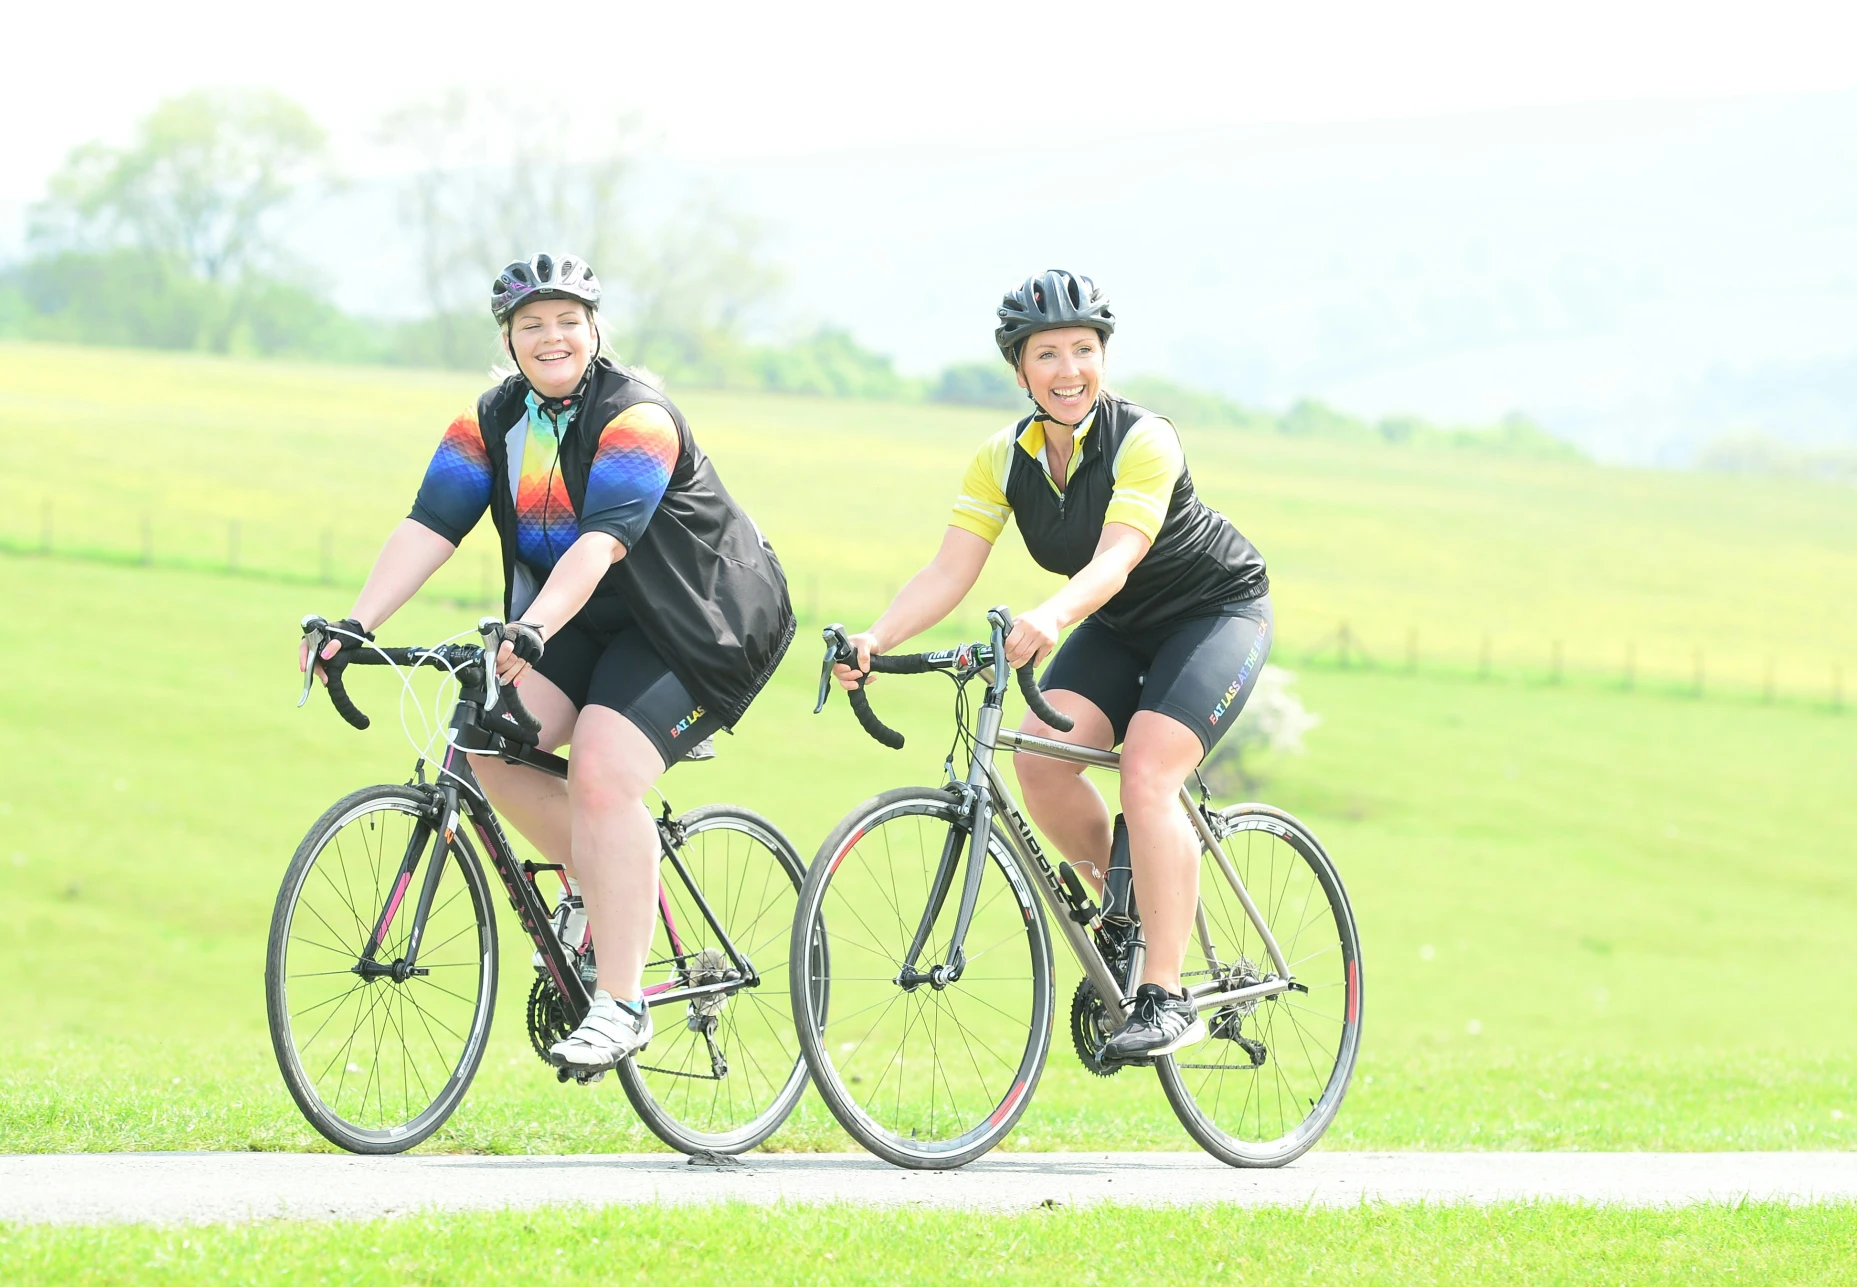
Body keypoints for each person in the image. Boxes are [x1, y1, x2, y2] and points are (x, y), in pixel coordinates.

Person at [307, 252, 794, 1074]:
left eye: (567, 320)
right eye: (531, 325)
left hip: (699, 621)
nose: (551, 336)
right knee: (487, 737)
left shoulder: (637, 417)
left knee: (603, 769)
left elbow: (603, 540)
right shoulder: (491, 422)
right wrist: (356, 623)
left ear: (595, 329)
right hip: (584, 616)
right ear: (508, 338)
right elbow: (430, 524)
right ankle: (591, 894)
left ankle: (622, 1003)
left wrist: (527, 627)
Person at [834, 268, 1272, 1063]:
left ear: (1103, 357)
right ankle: (1124, 918)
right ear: (1019, 370)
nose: (1068, 369)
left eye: (1083, 349)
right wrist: (877, 636)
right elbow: (947, 570)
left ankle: (1165, 994)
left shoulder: (1145, 439)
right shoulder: (1002, 459)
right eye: (1047, 354)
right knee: (1039, 759)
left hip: (1212, 614)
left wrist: (1050, 616)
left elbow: (1117, 557)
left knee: (1146, 772)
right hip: (1116, 624)